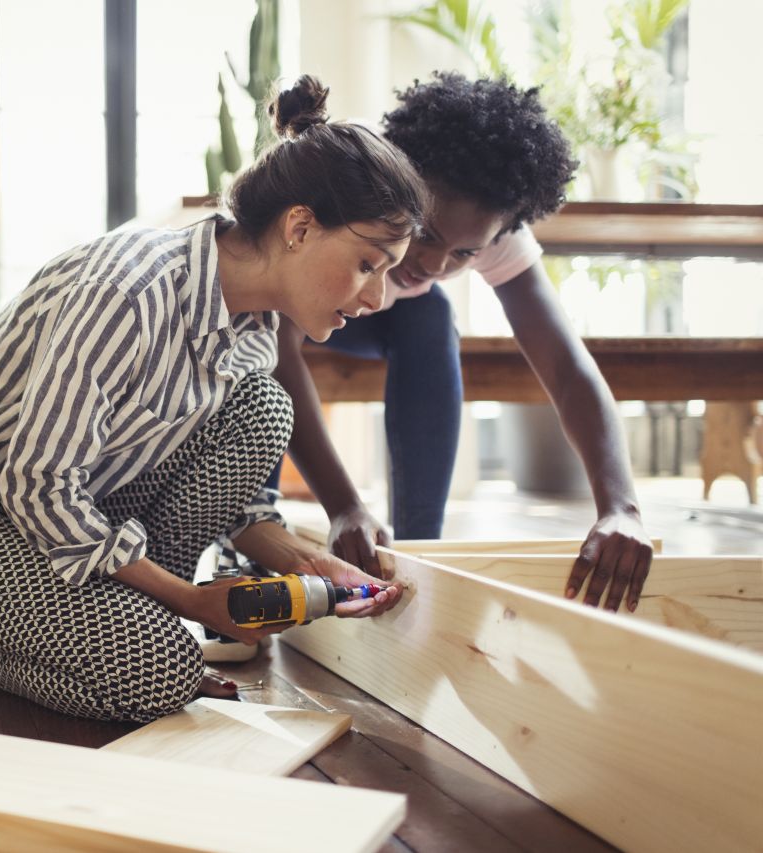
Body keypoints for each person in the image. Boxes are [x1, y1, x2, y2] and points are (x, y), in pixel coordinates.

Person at [0, 75, 423, 723]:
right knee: (163, 672)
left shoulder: (257, 331)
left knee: (266, 408)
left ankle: (112, 620)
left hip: (91, 513)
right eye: (371, 265)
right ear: (300, 228)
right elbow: (40, 486)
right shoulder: (131, 291)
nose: (376, 299)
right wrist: (190, 602)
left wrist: (318, 567)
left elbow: (243, 507)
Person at [273, 72, 655, 612]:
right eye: (424, 233)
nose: (433, 263)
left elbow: (568, 370)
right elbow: (276, 351)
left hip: (380, 320)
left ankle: (419, 548)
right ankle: (254, 523)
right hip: (280, 313)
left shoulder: (492, 230)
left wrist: (622, 509)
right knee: (255, 355)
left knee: (430, 312)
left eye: (463, 255)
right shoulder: (352, 176)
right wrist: (343, 506)